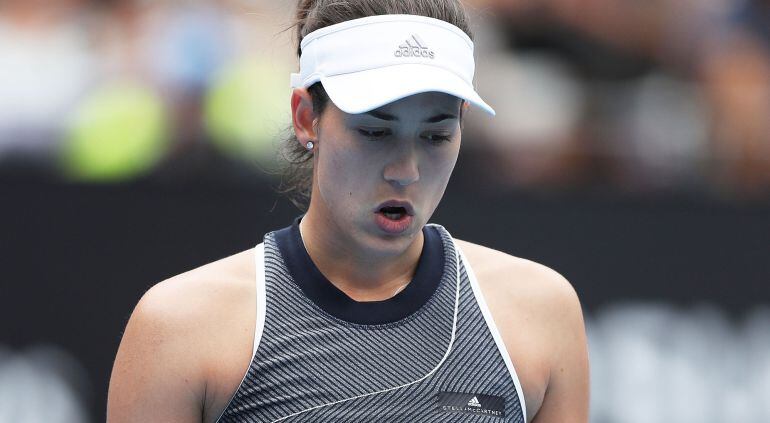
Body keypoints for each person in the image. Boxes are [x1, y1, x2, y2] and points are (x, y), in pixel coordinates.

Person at [106, 1, 589, 422]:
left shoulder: (541, 314)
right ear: (304, 117)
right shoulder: (179, 329)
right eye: (375, 132)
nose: (407, 171)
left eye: (436, 135)